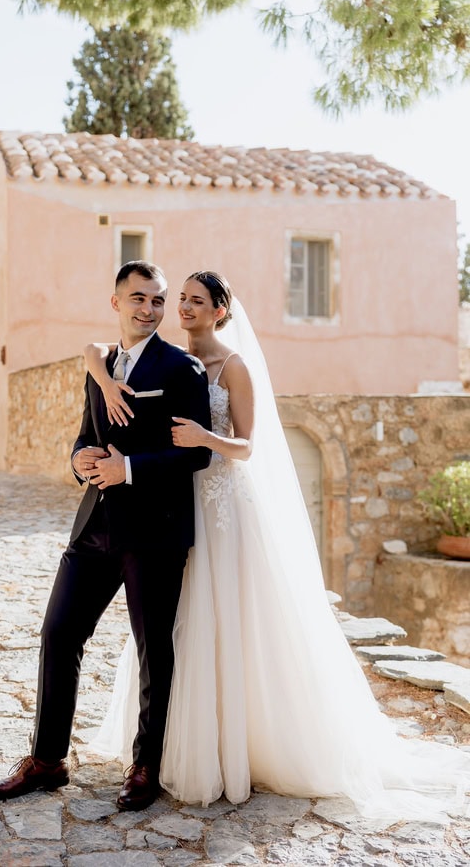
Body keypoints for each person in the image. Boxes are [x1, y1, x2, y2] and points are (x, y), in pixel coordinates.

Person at [86, 270, 470, 821]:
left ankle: (244, 743)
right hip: (175, 503)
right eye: (183, 300)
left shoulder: (233, 367)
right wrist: (99, 373)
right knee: (176, 625)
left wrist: (205, 438)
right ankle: (175, 742)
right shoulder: (168, 360)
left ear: (221, 310)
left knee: (233, 620)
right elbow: (96, 348)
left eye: (197, 301)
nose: (186, 308)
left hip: (222, 507)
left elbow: (246, 446)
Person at [0, 260, 211, 810]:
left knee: (154, 649)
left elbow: (198, 453)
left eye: (158, 301)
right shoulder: (100, 366)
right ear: (116, 302)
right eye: (138, 298)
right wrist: (81, 460)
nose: (149, 309)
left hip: (154, 531)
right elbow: (86, 437)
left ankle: (145, 767)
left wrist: (127, 469)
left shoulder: (182, 369)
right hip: (95, 524)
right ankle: (47, 759)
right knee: (59, 633)